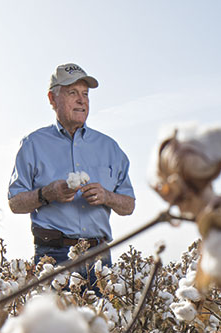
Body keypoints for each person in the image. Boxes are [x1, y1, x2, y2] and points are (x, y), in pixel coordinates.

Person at [7, 63, 135, 286]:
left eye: (85, 94)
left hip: (99, 259)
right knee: (53, 312)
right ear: (52, 99)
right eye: (72, 93)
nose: (81, 100)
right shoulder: (32, 145)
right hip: (52, 257)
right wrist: (47, 193)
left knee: (103, 311)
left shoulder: (110, 148)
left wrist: (107, 196)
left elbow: (129, 205)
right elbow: (15, 203)